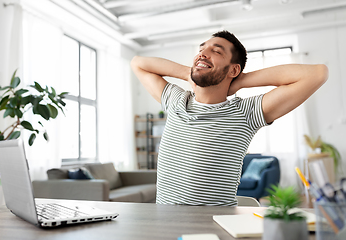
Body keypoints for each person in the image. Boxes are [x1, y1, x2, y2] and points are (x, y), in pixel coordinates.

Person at [131, 30, 328, 206]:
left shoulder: (246, 113)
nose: (203, 53)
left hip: (215, 223)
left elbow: (318, 74)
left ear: (233, 69)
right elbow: (137, 63)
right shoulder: (176, 101)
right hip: (164, 223)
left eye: (216, 51)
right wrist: (188, 73)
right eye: (202, 49)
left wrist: (241, 80)